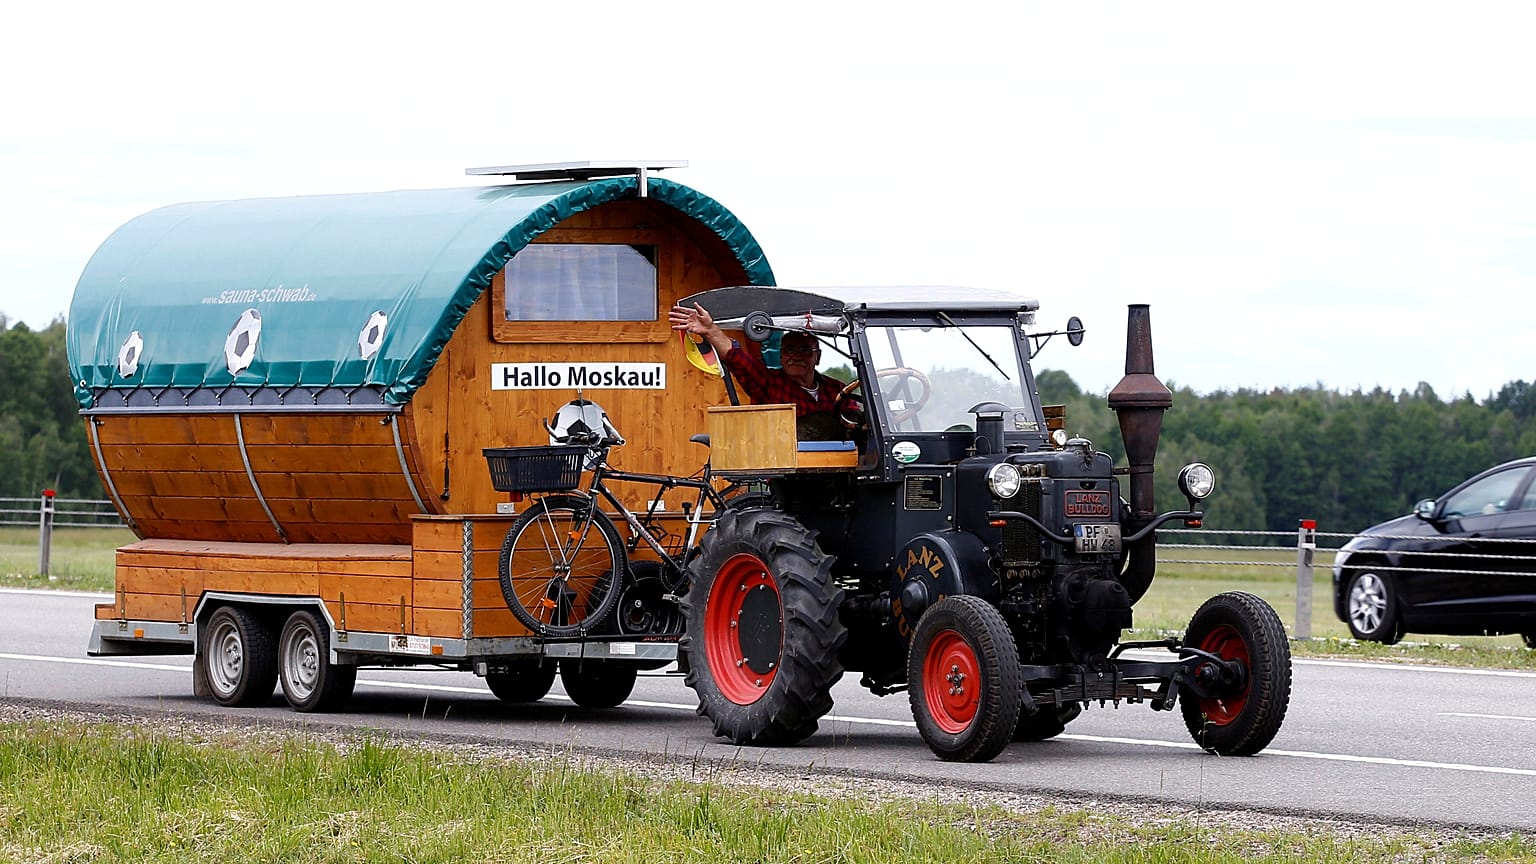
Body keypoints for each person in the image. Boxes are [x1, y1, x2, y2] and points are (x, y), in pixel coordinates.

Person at [669, 302, 852, 439]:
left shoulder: (837, 389)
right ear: (781, 356)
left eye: (804, 350)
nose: (795, 356)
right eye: (789, 350)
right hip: (788, 474)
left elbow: (856, 421)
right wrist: (711, 331)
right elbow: (737, 358)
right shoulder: (769, 383)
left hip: (836, 468)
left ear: (817, 357)